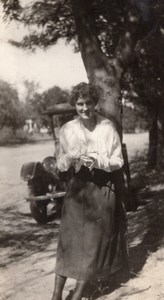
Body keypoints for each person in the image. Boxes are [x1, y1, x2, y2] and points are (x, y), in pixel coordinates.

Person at [51, 82, 128, 300]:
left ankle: (77, 295)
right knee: (69, 239)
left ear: (95, 103)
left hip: (102, 189)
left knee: (93, 244)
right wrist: (71, 157)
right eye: (79, 104)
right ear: (75, 105)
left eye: (88, 103)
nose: (84, 108)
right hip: (77, 190)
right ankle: (56, 295)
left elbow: (117, 161)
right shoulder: (68, 129)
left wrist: (98, 161)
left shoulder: (107, 127)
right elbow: (61, 163)